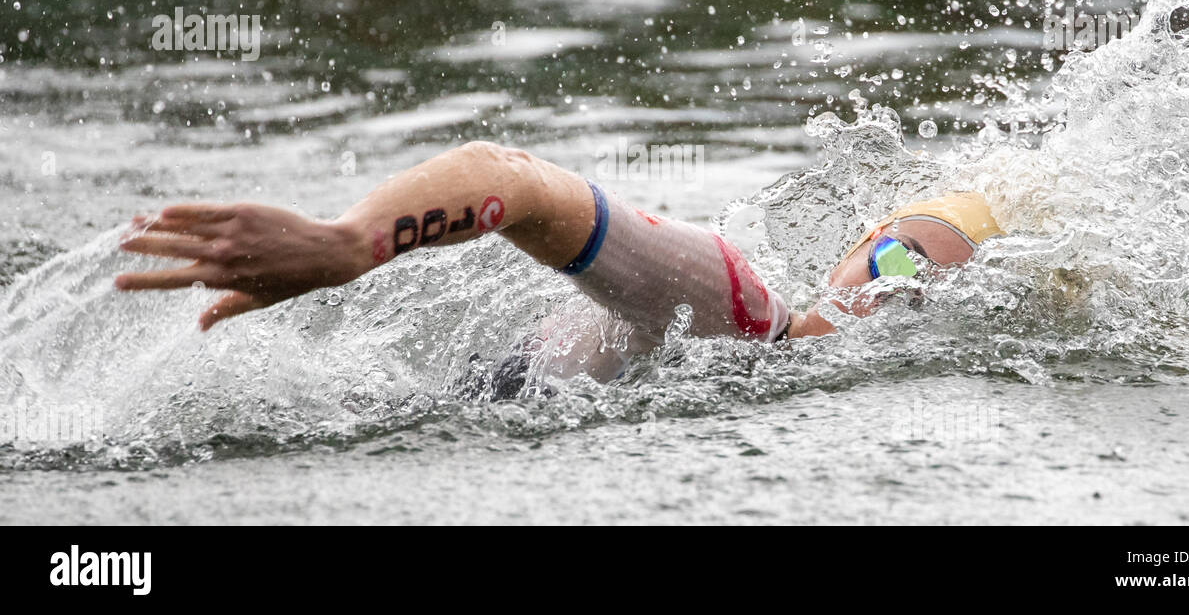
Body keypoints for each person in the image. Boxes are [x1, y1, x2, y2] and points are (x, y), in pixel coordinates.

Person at [115, 141, 1001, 393]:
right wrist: (347, 243)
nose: (892, 290)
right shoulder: (732, 304)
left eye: (921, 285)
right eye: (896, 257)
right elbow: (514, 182)